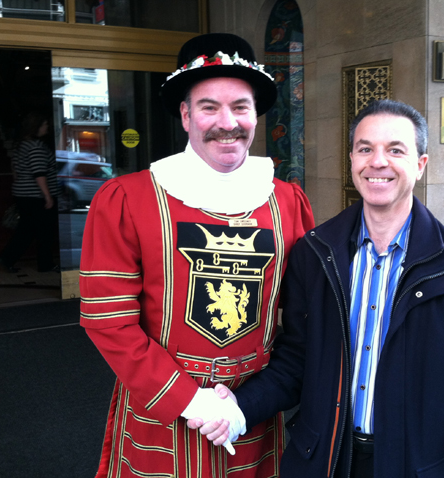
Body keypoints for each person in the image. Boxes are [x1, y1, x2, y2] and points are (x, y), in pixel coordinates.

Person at [201, 99, 444, 477]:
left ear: (421, 164)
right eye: (365, 149)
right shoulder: (315, 255)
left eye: (395, 150)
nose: (377, 162)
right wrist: (239, 405)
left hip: (417, 465)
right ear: (351, 160)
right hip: (327, 459)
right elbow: (297, 361)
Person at [80, 33, 314, 478]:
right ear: (186, 115)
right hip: (160, 411)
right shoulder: (127, 199)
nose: (228, 122)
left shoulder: (288, 202)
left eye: (241, 107)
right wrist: (188, 400)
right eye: (209, 107)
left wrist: (248, 404)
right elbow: (108, 321)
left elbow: (305, 321)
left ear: (256, 114)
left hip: (252, 412)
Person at [0, 112, 59, 272]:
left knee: (27, 229)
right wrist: (47, 196)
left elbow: (15, 170)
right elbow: (39, 173)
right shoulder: (36, 147)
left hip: (24, 193)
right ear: (36, 127)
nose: (47, 127)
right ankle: (44, 264)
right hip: (36, 196)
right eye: (45, 124)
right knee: (43, 231)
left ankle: (7, 258)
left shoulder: (22, 145)